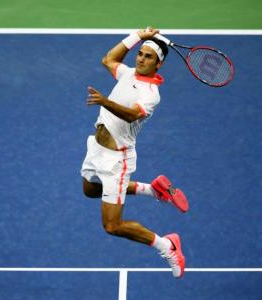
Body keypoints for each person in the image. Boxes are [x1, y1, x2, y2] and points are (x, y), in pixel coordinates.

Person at [81, 27, 189, 278]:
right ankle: (152, 189)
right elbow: (108, 59)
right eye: (140, 54)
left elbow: (131, 115)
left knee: (112, 225)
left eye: (148, 57)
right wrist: (137, 36)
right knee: (90, 190)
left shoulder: (151, 94)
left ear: (158, 64)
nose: (140, 59)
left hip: (116, 159)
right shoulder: (128, 73)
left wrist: (104, 101)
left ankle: (168, 245)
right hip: (96, 148)